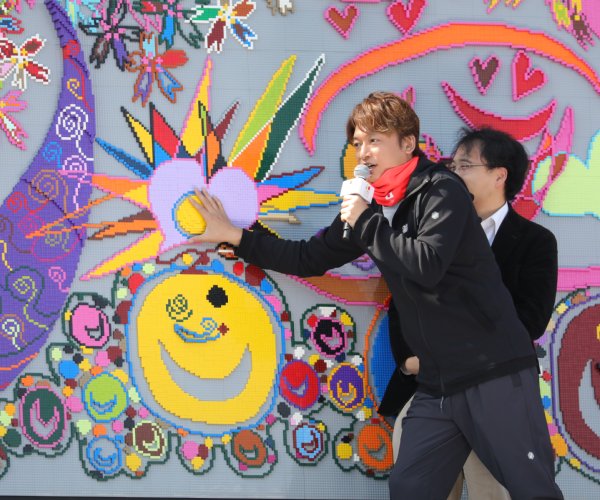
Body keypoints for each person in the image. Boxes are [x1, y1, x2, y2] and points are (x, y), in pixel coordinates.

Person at [189, 92, 563, 499]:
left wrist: (364, 218)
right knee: (410, 488)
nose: (363, 153)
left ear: (408, 143)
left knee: (531, 489)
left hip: (492, 372)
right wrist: (236, 236)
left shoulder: (442, 191)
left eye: (375, 141)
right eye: (357, 143)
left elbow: (427, 264)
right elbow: (309, 257)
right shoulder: (372, 204)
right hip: (438, 383)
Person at [379, 126, 559, 499]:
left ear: (499, 175)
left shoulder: (535, 242)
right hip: (431, 387)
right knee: (411, 487)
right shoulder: (429, 228)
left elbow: (531, 318)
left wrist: (469, 353)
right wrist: (411, 361)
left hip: (494, 389)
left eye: (465, 166)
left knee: (492, 492)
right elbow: (402, 303)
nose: (453, 174)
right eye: (452, 165)